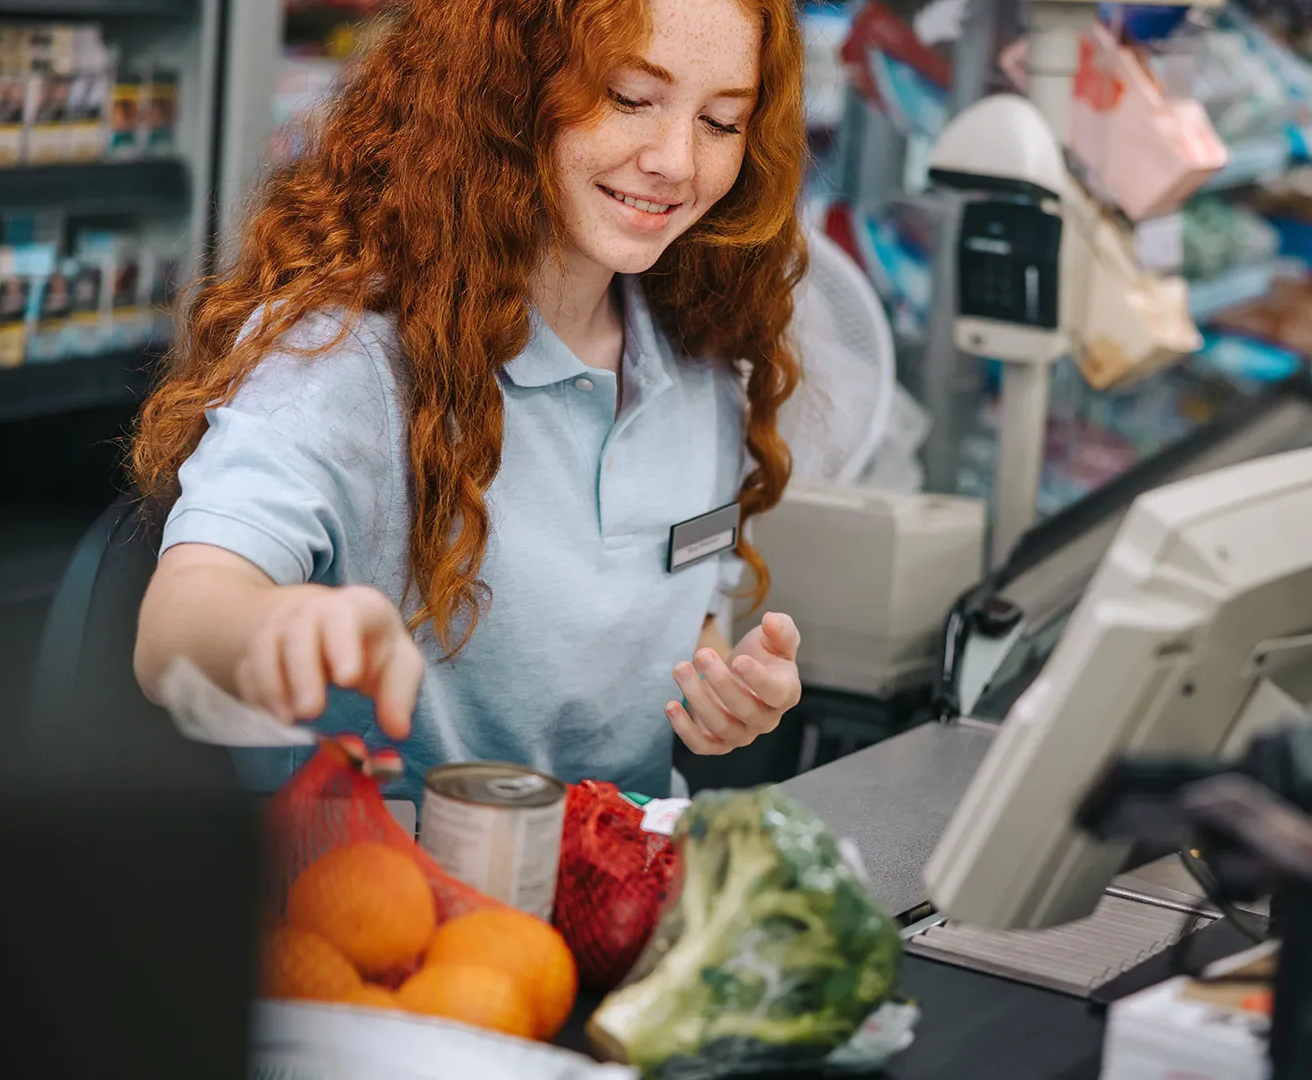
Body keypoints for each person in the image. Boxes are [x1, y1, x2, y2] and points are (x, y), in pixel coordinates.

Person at [129, 0, 809, 804]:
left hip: (624, 893)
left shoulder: (703, 370)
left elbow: (675, 608)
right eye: (629, 98)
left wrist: (721, 683)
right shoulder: (351, 359)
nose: (676, 160)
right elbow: (175, 626)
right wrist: (277, 629)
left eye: (722, 122)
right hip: (394, 903)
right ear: (510, 91)